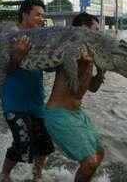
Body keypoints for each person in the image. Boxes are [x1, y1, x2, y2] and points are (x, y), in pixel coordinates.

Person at [44, 12, 105, 182]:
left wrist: (101, 71)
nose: (98, 34)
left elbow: (92, 88)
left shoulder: (90, 53)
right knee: (90, 163)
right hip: (58, 114)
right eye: (95, 30)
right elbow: (74, 88)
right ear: (83, 29)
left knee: (100, 153)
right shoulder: (69, 50)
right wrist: (86, 62)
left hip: (77, 113)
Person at [0, 0, 54, 182]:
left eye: (43, 16)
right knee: (23, 142)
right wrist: (18, 55)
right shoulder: (11, 36)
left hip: (36, 100)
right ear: (25, 14)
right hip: (14, 101)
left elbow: (49, 67)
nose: (41, 19)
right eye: (37, 14)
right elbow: (5, 68)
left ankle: (37, 176)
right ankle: (4, 175)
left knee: (44, 144)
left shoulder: (42, 37)